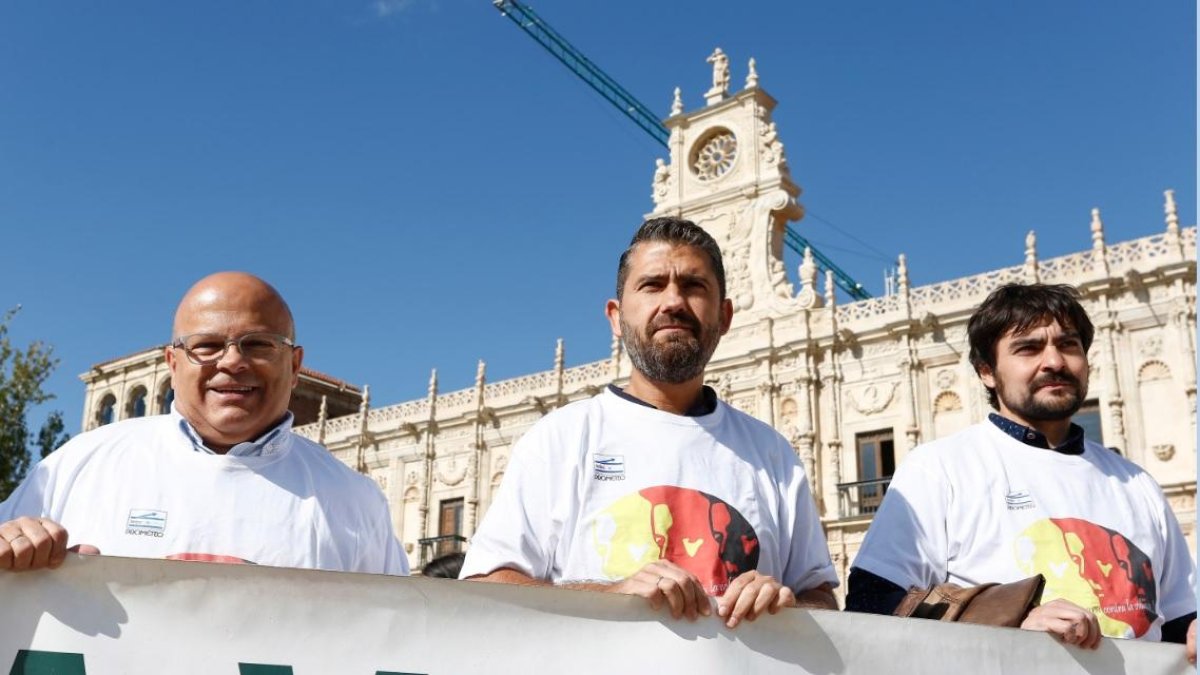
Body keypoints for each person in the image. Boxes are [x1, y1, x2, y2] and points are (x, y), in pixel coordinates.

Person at [460, 217, 838, 628]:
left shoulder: (772, 454)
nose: (673, 301)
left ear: (725, 316)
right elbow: (485, 583)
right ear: (616, 318)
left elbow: (821, 599)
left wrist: (786, 606)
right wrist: (610, 596)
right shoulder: (560, 439)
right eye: (652, 285)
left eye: (694, 286)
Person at [847, 283, 1196, 661]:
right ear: (987, 372)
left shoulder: (1137, 483)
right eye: (1028, 348)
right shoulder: (940, 468)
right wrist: (1011, 621)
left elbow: (1180, 619)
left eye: (1068, 345)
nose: (1055, 362)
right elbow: (872, 604)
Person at [0, 272, 408, 575]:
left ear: (295, 365)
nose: (232, 361)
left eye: (259, 345)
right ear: (173, 364)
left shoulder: (354, 500)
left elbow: (401, 636)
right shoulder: (79, 466)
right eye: (207, 346)